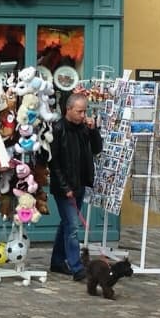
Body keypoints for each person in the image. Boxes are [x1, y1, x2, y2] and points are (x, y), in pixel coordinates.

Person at [48, 93, 103, 281]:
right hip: (64, 187)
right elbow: (53, 162)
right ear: (68, 109)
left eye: (84, 111)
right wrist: (64, 187)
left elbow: (97, 149)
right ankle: (77, 267)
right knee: (72, 226)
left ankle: (57, 261)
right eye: (79, 111)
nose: (82, 115)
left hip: (80, 183)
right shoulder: (58, 129)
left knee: (66, 224)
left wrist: (94, 130)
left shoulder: (84, 129)